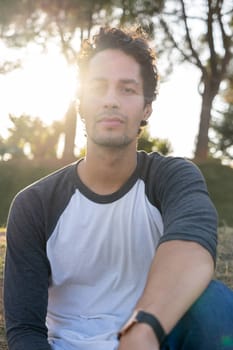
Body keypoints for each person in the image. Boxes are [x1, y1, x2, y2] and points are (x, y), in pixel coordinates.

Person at [3, 26, 233, 350]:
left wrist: (142, 329)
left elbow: (193, 245)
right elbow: (25, 330)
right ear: (81, 103)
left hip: (151, 340)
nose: (111, 100)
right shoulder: (35, 205)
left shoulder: (171, 177)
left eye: (127, 89)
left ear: (147, 107)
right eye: (98, 87)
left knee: (215, 304)